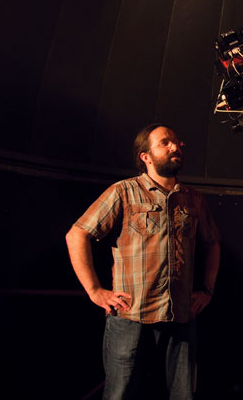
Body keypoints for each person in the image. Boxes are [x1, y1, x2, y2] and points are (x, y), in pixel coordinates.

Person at [66, 124, 221, 400]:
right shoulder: (124, 192)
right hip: (130, 316)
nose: (175, 147)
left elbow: (212, 244)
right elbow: (78, 234)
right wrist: (94, 290)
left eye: (176, 142)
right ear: (145, 156)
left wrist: (207, 290)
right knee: (120, 395)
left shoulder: (193, 199)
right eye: (165, 143)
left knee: (183, 395)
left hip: (181, 317)